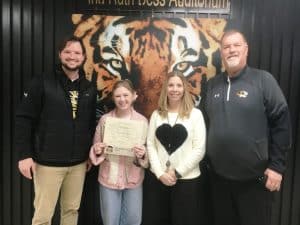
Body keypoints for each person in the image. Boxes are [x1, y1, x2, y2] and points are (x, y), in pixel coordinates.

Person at [201, 29, 292, 225]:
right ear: (221, 52)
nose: (231, 50)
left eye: (236, 45)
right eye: (226, 47)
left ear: (246, 50)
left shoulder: (263, 80)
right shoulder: (211, 85)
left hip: (254, 182)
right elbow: (205, 125)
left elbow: (282, 123)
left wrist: (277, 167)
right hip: (219, 180)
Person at [15, 36, 97, 225]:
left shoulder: (89, 87)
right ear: (60, 54)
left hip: (78, 163)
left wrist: (87, 154)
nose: (72, 56)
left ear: (84, 57)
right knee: (43, 216)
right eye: (67, 52)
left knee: (71, 210)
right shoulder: (42, 82)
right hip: (47, 163)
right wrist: (24, 155)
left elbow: (90, 123)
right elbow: (24, 119)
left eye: (77, 53)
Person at [142, 71, 206, 225]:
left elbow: (199, 149)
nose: (175, 89)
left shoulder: (195, 115)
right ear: (165, 89)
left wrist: (176, 173)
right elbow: (150, 144)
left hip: (186, 181)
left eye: (179, 85)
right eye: (171, 85)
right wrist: (160, 173)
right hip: (158, 180)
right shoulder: (157, 115)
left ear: (184, 88)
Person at [89, 79, 148, 225]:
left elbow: (149, 153)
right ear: (113, 98)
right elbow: (96, 146)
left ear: (134, 95)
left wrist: (143, 154)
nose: (122, 100)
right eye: (118, 96)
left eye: (126, 95)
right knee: (110, 221)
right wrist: (97, 150)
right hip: (109, 177)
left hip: (133, 178)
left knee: (133, 221)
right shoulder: (105, 120)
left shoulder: (142, 121)